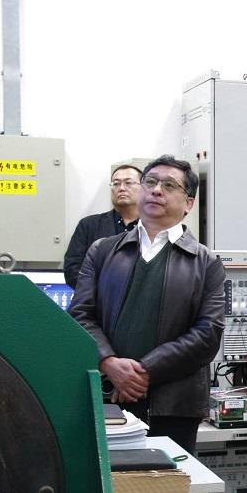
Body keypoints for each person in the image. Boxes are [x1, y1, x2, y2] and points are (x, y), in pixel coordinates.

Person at [69, 155, 225, 455]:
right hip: (108, 395)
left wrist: (143, 372)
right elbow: (79, 315)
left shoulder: (207, 263)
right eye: (150, 182)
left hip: (175, 407)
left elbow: (208, 334)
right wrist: (109, 363)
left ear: (189, 203)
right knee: (106, 480)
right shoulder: (102, 251)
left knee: (169, 481)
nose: (156, 190)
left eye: (169, 185)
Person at [63, 164, 142, 287]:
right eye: (116, 183)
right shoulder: (89, 225)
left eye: (128, 183)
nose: (121, 188)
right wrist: (103, 293)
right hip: (96, 298)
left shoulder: (154, 227)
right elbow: (72, 270)